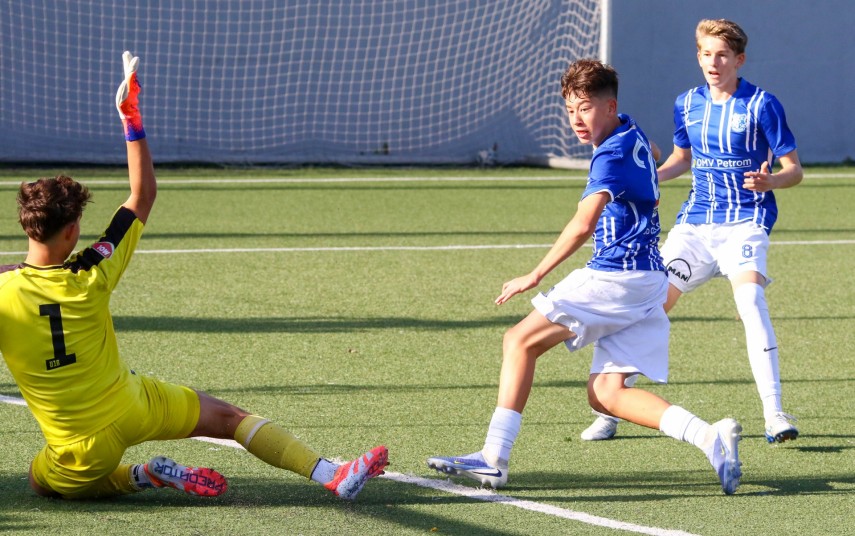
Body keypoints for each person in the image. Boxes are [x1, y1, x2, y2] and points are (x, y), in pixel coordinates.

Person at [0, 51, 387, 501]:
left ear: (27, 225)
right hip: (134, 403)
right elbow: (142, 195)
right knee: (229, 418)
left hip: (80, 445)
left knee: (41, 482)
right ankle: (330, 473)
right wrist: (131, 119)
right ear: (71, 231)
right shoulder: (93, 271)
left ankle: (142, 476)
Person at [426, 59, 743, 495]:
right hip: (648, 280)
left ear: (609, 106)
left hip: (616, 277)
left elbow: (582, 224)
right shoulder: (629, 129)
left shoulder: (609, 156)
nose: (576, 119)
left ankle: (494, 458)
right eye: (571, 109)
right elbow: (652, 152)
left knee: (519, 341)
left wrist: (534, 274)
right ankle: (710, 437)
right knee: (607, 394)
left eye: (586, 108)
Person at [581, 19, 802, 444]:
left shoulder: (762, 105)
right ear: (698, 57)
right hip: (696, 226)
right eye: (706, 54)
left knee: (751, 302)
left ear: (739, 59)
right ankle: (608, 409)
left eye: (722, 55)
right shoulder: (686, 103)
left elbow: (794, 170)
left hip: (745, 223)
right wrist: (648, 179)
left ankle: (774, 413)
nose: (713, 63)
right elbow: (681, 159)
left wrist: (771, 180)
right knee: (645, 306)